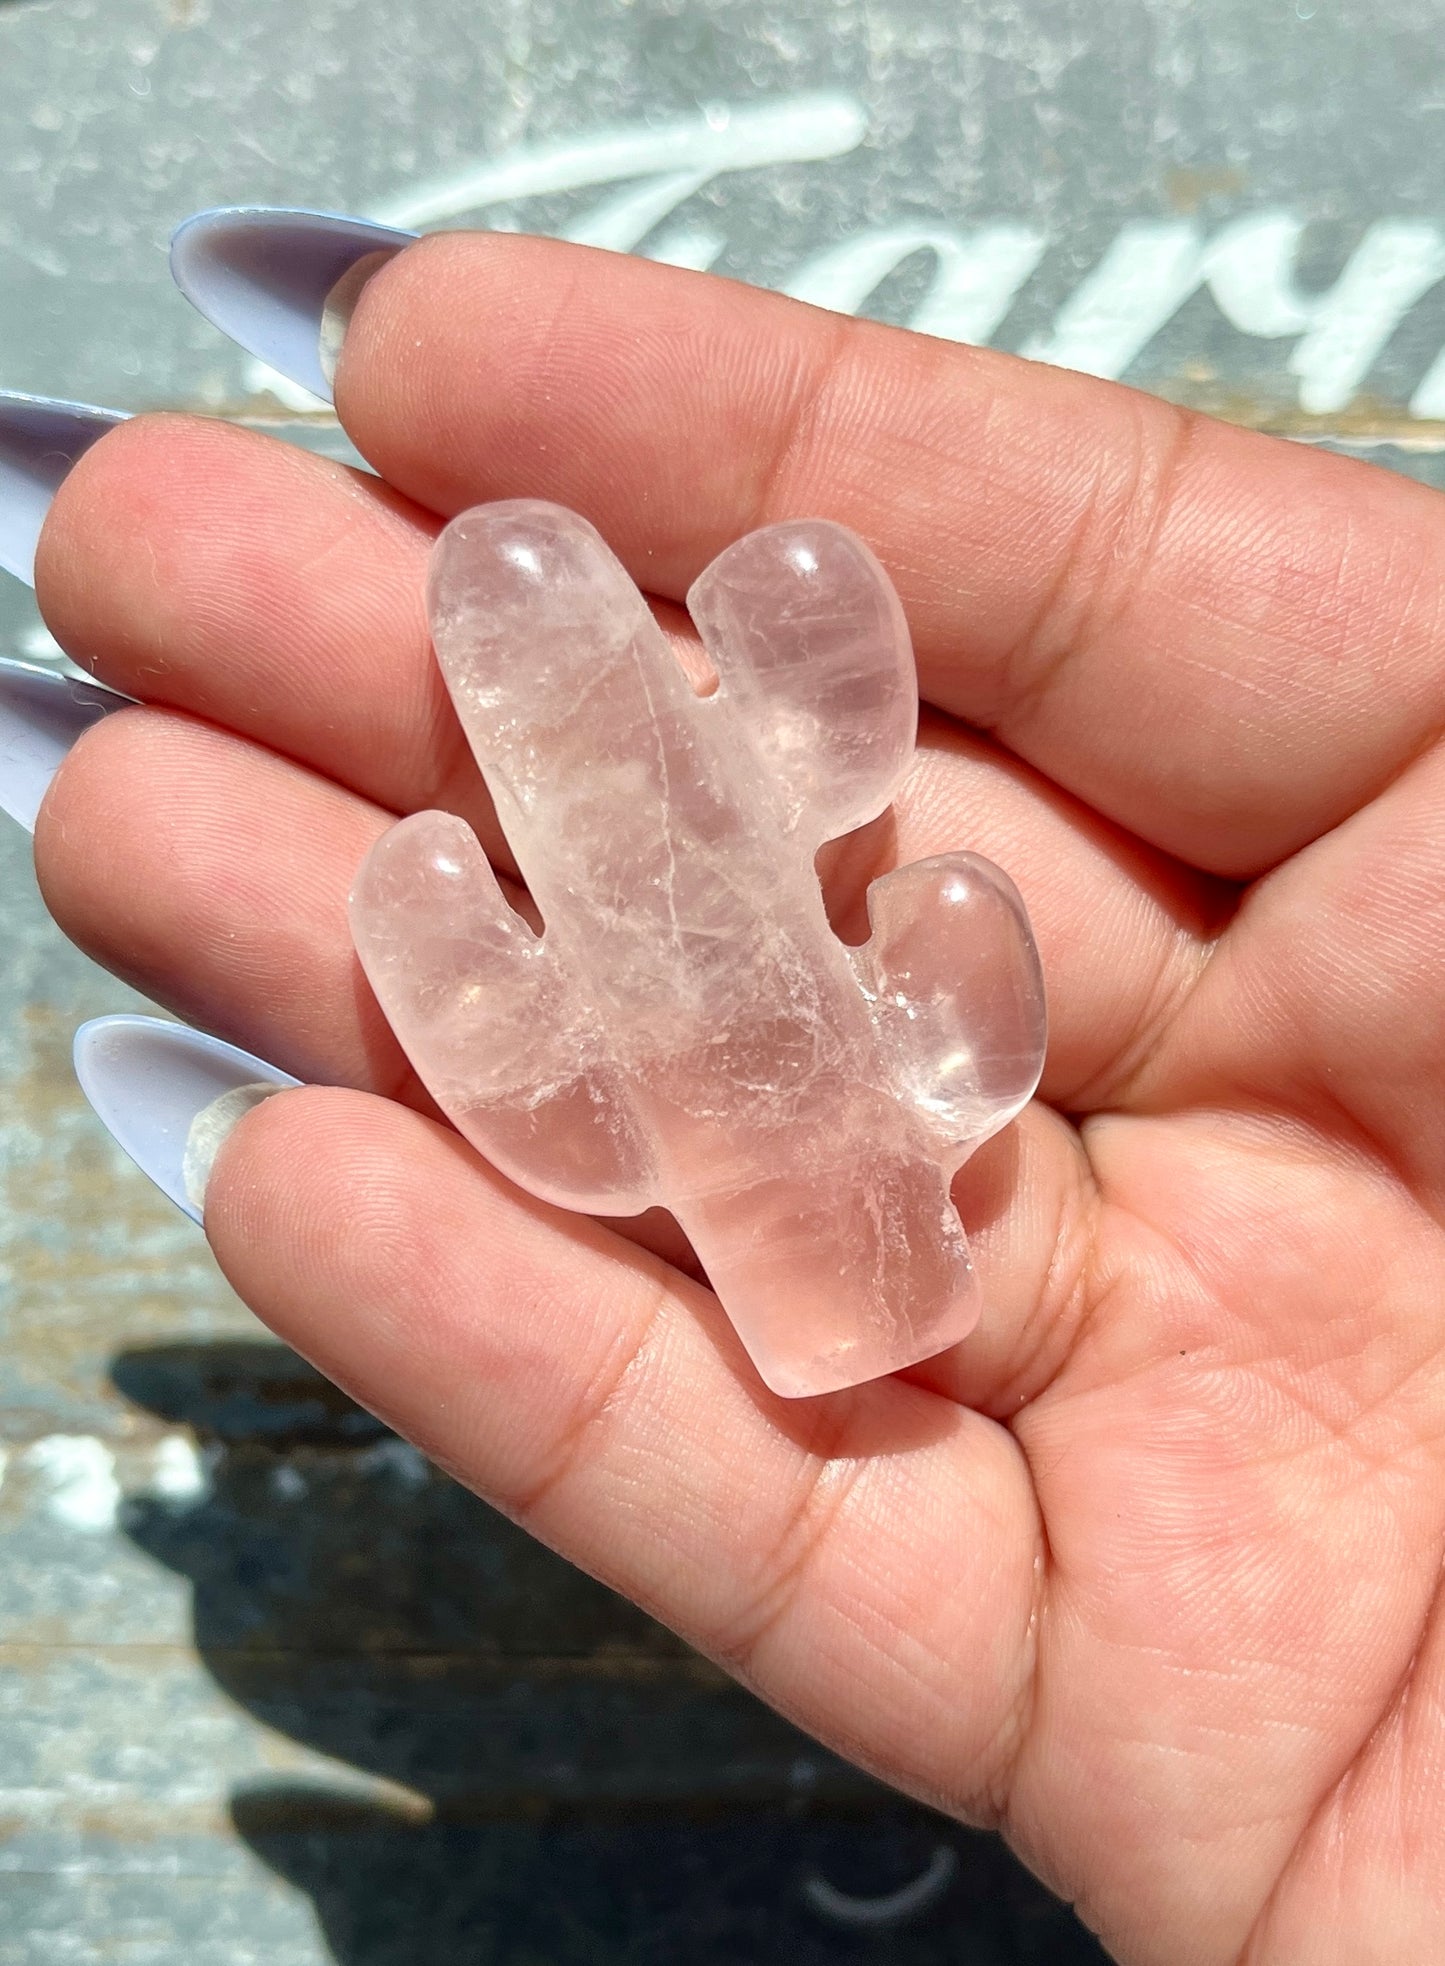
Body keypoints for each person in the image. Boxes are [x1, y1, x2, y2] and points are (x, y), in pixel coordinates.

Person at [17, 223, 1445, 1962]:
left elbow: (785, 933)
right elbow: (607, 1078)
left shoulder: (764, 829)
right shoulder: (724, 870)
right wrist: (491, 970)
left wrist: (502, 959)